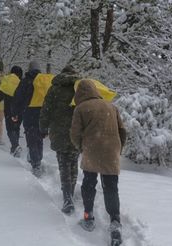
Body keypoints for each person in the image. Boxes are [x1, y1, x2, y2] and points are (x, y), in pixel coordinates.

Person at [70, 80, 126, 245]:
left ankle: (88, 217)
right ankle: (115, 223)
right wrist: (117, 149)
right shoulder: (111, 106)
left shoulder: (80, 108)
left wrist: (82, 147)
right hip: (111, 151)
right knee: (111, 188)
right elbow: (123, 131)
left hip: (91, 150)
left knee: (89, 184)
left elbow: (75, 134)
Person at [39, 64, 80, 215]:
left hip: (58, 131)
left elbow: (46, 109)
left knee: (63, 162)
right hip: (76, 131)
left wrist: (43, 127)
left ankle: (67, 196)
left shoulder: (55, 88)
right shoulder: (79, 88)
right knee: (74, 161)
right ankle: (71, 191)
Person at [11, 61, 46, 177]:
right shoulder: (43, 81)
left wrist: (15, 112)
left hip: (29, 113)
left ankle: (36, 164)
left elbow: (18, 97)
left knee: (31, 138)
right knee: (39, 137)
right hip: (42, 113)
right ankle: (38, 159)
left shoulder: (25, 81)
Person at [0, 66, 23, 156]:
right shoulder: (21, 81)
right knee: (16, 126)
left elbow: (1, 91)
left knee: (9, 127)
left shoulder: (7, 78)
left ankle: (15, 145)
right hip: (19, 107)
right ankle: (14, 146)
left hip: (9, 106)